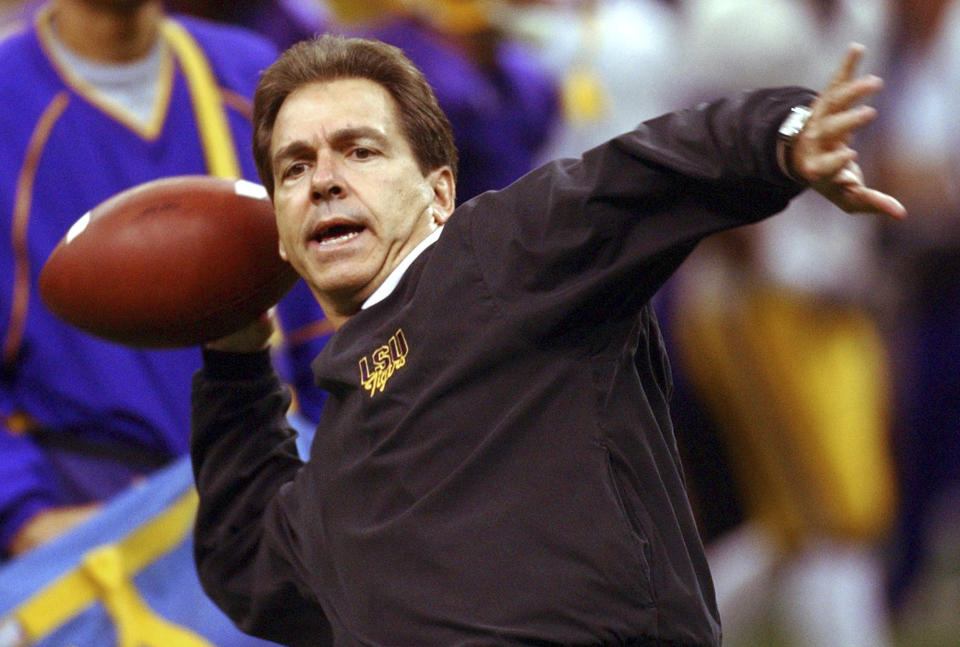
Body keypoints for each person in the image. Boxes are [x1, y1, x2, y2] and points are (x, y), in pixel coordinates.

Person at [189, 34, 904, 646]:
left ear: (440, 193)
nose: (324, 182)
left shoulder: (500, 253)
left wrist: (780, 138)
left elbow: (641, 175)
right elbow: (249, 555)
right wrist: (233, 358)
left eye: (359, 150)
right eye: (294, 167)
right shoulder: (341, 459)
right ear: (281, 235)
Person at [0, 0, 330, 559]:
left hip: (269, 472)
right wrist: (22, 514)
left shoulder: (252, 72)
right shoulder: (11, 97)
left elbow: (321, 319)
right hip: (87, 501)